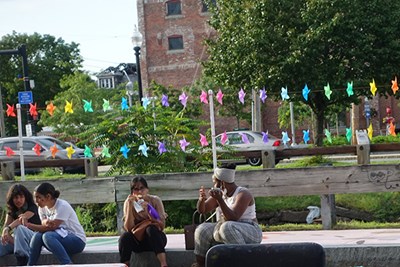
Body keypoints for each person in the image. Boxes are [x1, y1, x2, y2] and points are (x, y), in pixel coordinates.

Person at [192, 163, 263, 267]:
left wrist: (220, 200)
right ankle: (201, 264)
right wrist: (201, 200)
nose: (214, 186)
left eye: (215, 182)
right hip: (227, 227)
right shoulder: (221, 194)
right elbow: (203, 210)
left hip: (250, 230)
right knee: (202, 229)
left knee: (227, 227)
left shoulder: (243, 194)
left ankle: (244, 262)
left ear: (222, 183)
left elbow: (233, 217)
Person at [26, 182, 86, 265]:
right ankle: (30, 265)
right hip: (59, 238)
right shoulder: (42, 208)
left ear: (48, 196)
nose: (36, 201)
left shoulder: (62, 206)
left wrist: (28, 225)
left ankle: (67, 263)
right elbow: (44, 223)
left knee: (47, 236)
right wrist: (45, 222)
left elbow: (50, 228)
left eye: (39, 197)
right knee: (37, 236)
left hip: (77, 241)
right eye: (35, 197)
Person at [119, 176, 168, 267]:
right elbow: (128, 228)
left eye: (142, 188)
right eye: (136, 189)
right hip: (138, 240)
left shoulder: (155, 200)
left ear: (147, 189)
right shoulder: (128, 202)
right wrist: (130, 207)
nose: (139, 192)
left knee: (150, 229)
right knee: (124, 237)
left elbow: (161, 225)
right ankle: (125, 264)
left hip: (155, 238)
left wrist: (149, 210)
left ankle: (163, 264)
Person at [0, 184, 41, 265]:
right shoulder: (12, 211)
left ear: (26, 197)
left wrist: (8, 228)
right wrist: (5, 235)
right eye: (16, 197)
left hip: (34, 239)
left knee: (20, 228)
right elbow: (5, 227)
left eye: (21, 197)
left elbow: (21, 219)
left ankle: (22, 259)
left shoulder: (32, 207)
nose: (18, 200)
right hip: (17, 242)